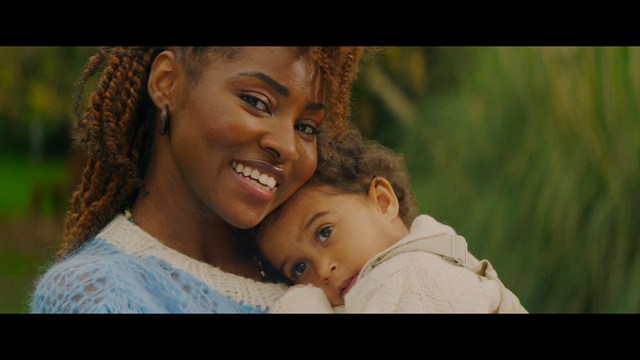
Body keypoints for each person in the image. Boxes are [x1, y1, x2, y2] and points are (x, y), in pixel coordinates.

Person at [30, 46, 365, 313]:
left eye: (306, 127)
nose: (287, 147)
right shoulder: (98, 294)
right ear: (167, 83)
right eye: (256, 102)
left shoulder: (320, 268)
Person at [255, 127, 528, 313]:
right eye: (300, 268)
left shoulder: (403, 276)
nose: (323, 270)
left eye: (324, 232)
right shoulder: (431, 259)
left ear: (383, 202)